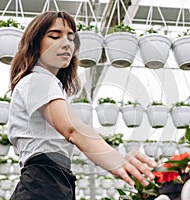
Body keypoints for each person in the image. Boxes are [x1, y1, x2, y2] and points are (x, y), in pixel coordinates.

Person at [8, 10, 157, 199]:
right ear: (36, 45)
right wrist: (115, 160)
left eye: (71, 38)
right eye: (54, 36)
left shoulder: (46, 84)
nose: (66, 44)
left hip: (52, 181)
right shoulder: (38, 80)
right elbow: (72, 129)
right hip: (43, 182)